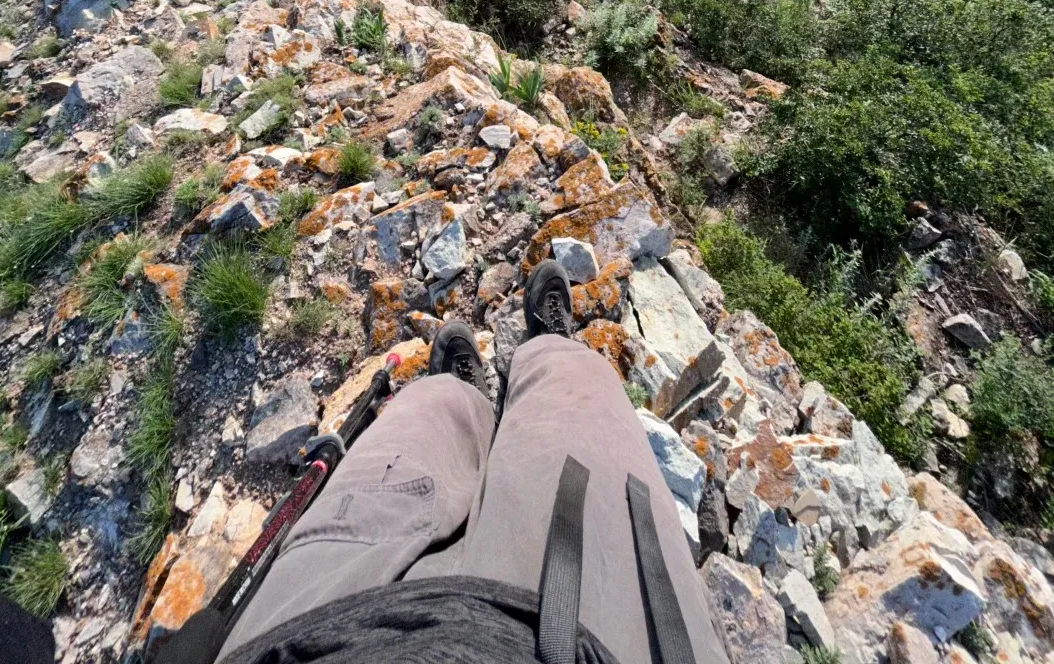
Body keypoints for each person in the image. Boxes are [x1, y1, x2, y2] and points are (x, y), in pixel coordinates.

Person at [204, 259, 729, 664]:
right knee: (583, 402)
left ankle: (463, 398)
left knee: (416, 424)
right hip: (607, 638)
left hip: (305, 629)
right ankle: (548, 350)